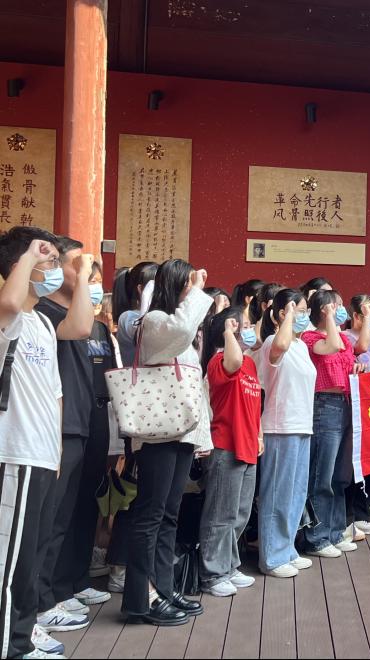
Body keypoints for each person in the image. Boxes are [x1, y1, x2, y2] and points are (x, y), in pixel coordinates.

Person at [121, 259, 214, 627]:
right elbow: (182, 327)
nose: (195, 290)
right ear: (175, 285)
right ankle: (140, 597)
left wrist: (202, 435)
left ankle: (164, 586)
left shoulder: (176, 326)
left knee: (168, 513)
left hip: (182, 430)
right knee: (150, 514)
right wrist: (197, 293)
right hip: (158, 433)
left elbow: (194, 386)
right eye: (188, 283)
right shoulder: (156, 321)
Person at [34, 236, 106, 634]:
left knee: (62, 520)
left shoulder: (66, 313)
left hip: (77, 425)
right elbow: (79, 326)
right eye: (76, 265)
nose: (86, 274)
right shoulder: (45, 312)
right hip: (57, 431)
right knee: (46, 523)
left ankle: (53, 593)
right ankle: (39, 603)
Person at [0, 228, 66, 659]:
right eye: (49, 262)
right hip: (17, 453)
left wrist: (56, 451)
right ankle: (11, 646)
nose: (55, 270)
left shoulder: (42, 322)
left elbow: (55, 393)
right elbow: (9, 301)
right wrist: (27, 253)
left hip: (42, 456)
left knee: (30, 558)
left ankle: (21, 638)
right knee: (12, 562)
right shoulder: (9, 318)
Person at [198, 307, 262, 597]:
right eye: (242, 325)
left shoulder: (250, 364)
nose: (248, 330)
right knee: (220, 514)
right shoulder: (219, 361)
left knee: (240, 513)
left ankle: (229, 565)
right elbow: (232, 361)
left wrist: (259, 435)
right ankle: (212, 573)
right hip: (225, 444)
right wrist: (226, 330)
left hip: (248, 445)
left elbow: (255, 403)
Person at [104, 260, 158, 593]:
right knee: (134, 493)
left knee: (146, 494)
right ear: (142, 289)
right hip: (139, 417)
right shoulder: (128, 318)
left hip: (155, 415)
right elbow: (147, 334)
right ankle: (119, 565)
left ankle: (132, 563)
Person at [255, 288, 317, 578]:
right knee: (278, 493)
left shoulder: (301, 346)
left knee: (295, 493)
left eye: (304, 311)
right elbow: (280, 343)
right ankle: (272, 556)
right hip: (280, 427)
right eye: (299, 310)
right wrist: (289, 315)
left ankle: (287, 548)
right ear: (282, 313)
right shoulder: (272, 341)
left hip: (302, 425)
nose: (304, 316)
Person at [299, 290, 357, 557]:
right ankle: (317, 537)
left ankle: (335, 531)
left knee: (339, 475)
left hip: (344, 405)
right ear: (325, 309)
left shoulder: (343, 337)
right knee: (322, 474)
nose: (341, 310)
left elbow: (348, 357)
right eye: (337, 306)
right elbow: (331, 345)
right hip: (323, 405)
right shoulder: (310, 338)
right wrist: (330, 316)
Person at [343, 295, 370, 541]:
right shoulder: (346, 338)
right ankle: (349, 515)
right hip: (352, 408)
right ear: (356, 316)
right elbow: (361, 347)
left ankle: (363, 513)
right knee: (351, 463)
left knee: (369, 460)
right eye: (368, 312)